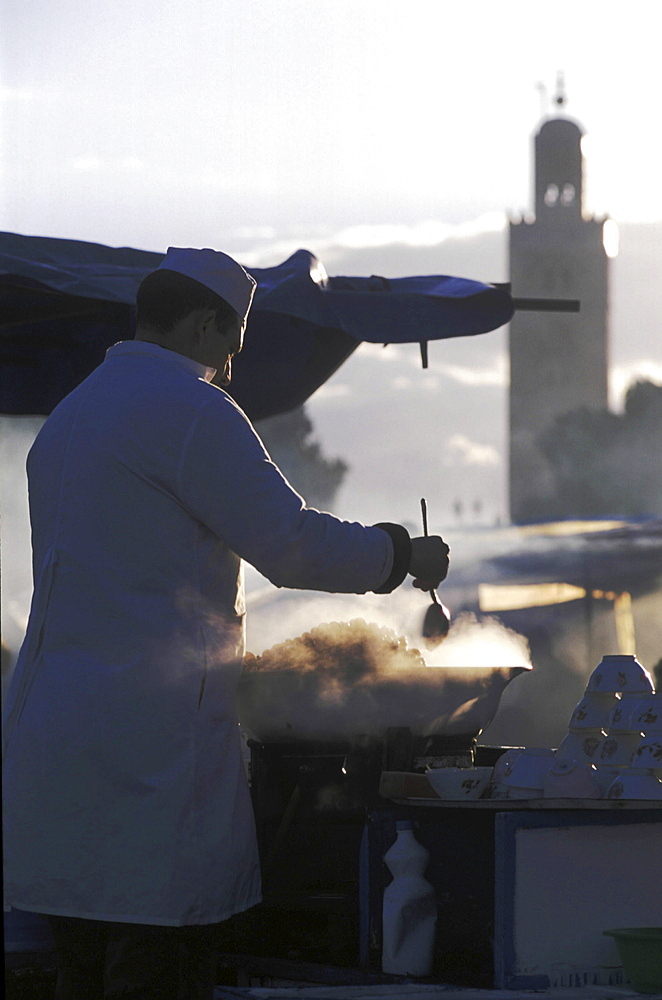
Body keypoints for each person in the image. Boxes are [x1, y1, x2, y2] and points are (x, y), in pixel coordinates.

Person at [2, 246, 450, 999]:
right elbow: (291, 543)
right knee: (159, 963)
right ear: (207, 323)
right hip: (149, 748)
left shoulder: (71, 417)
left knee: (79, 963)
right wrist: (397, 553)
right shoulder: (193, 411)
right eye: (231, 348)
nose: (232, 369)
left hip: (55, 737)